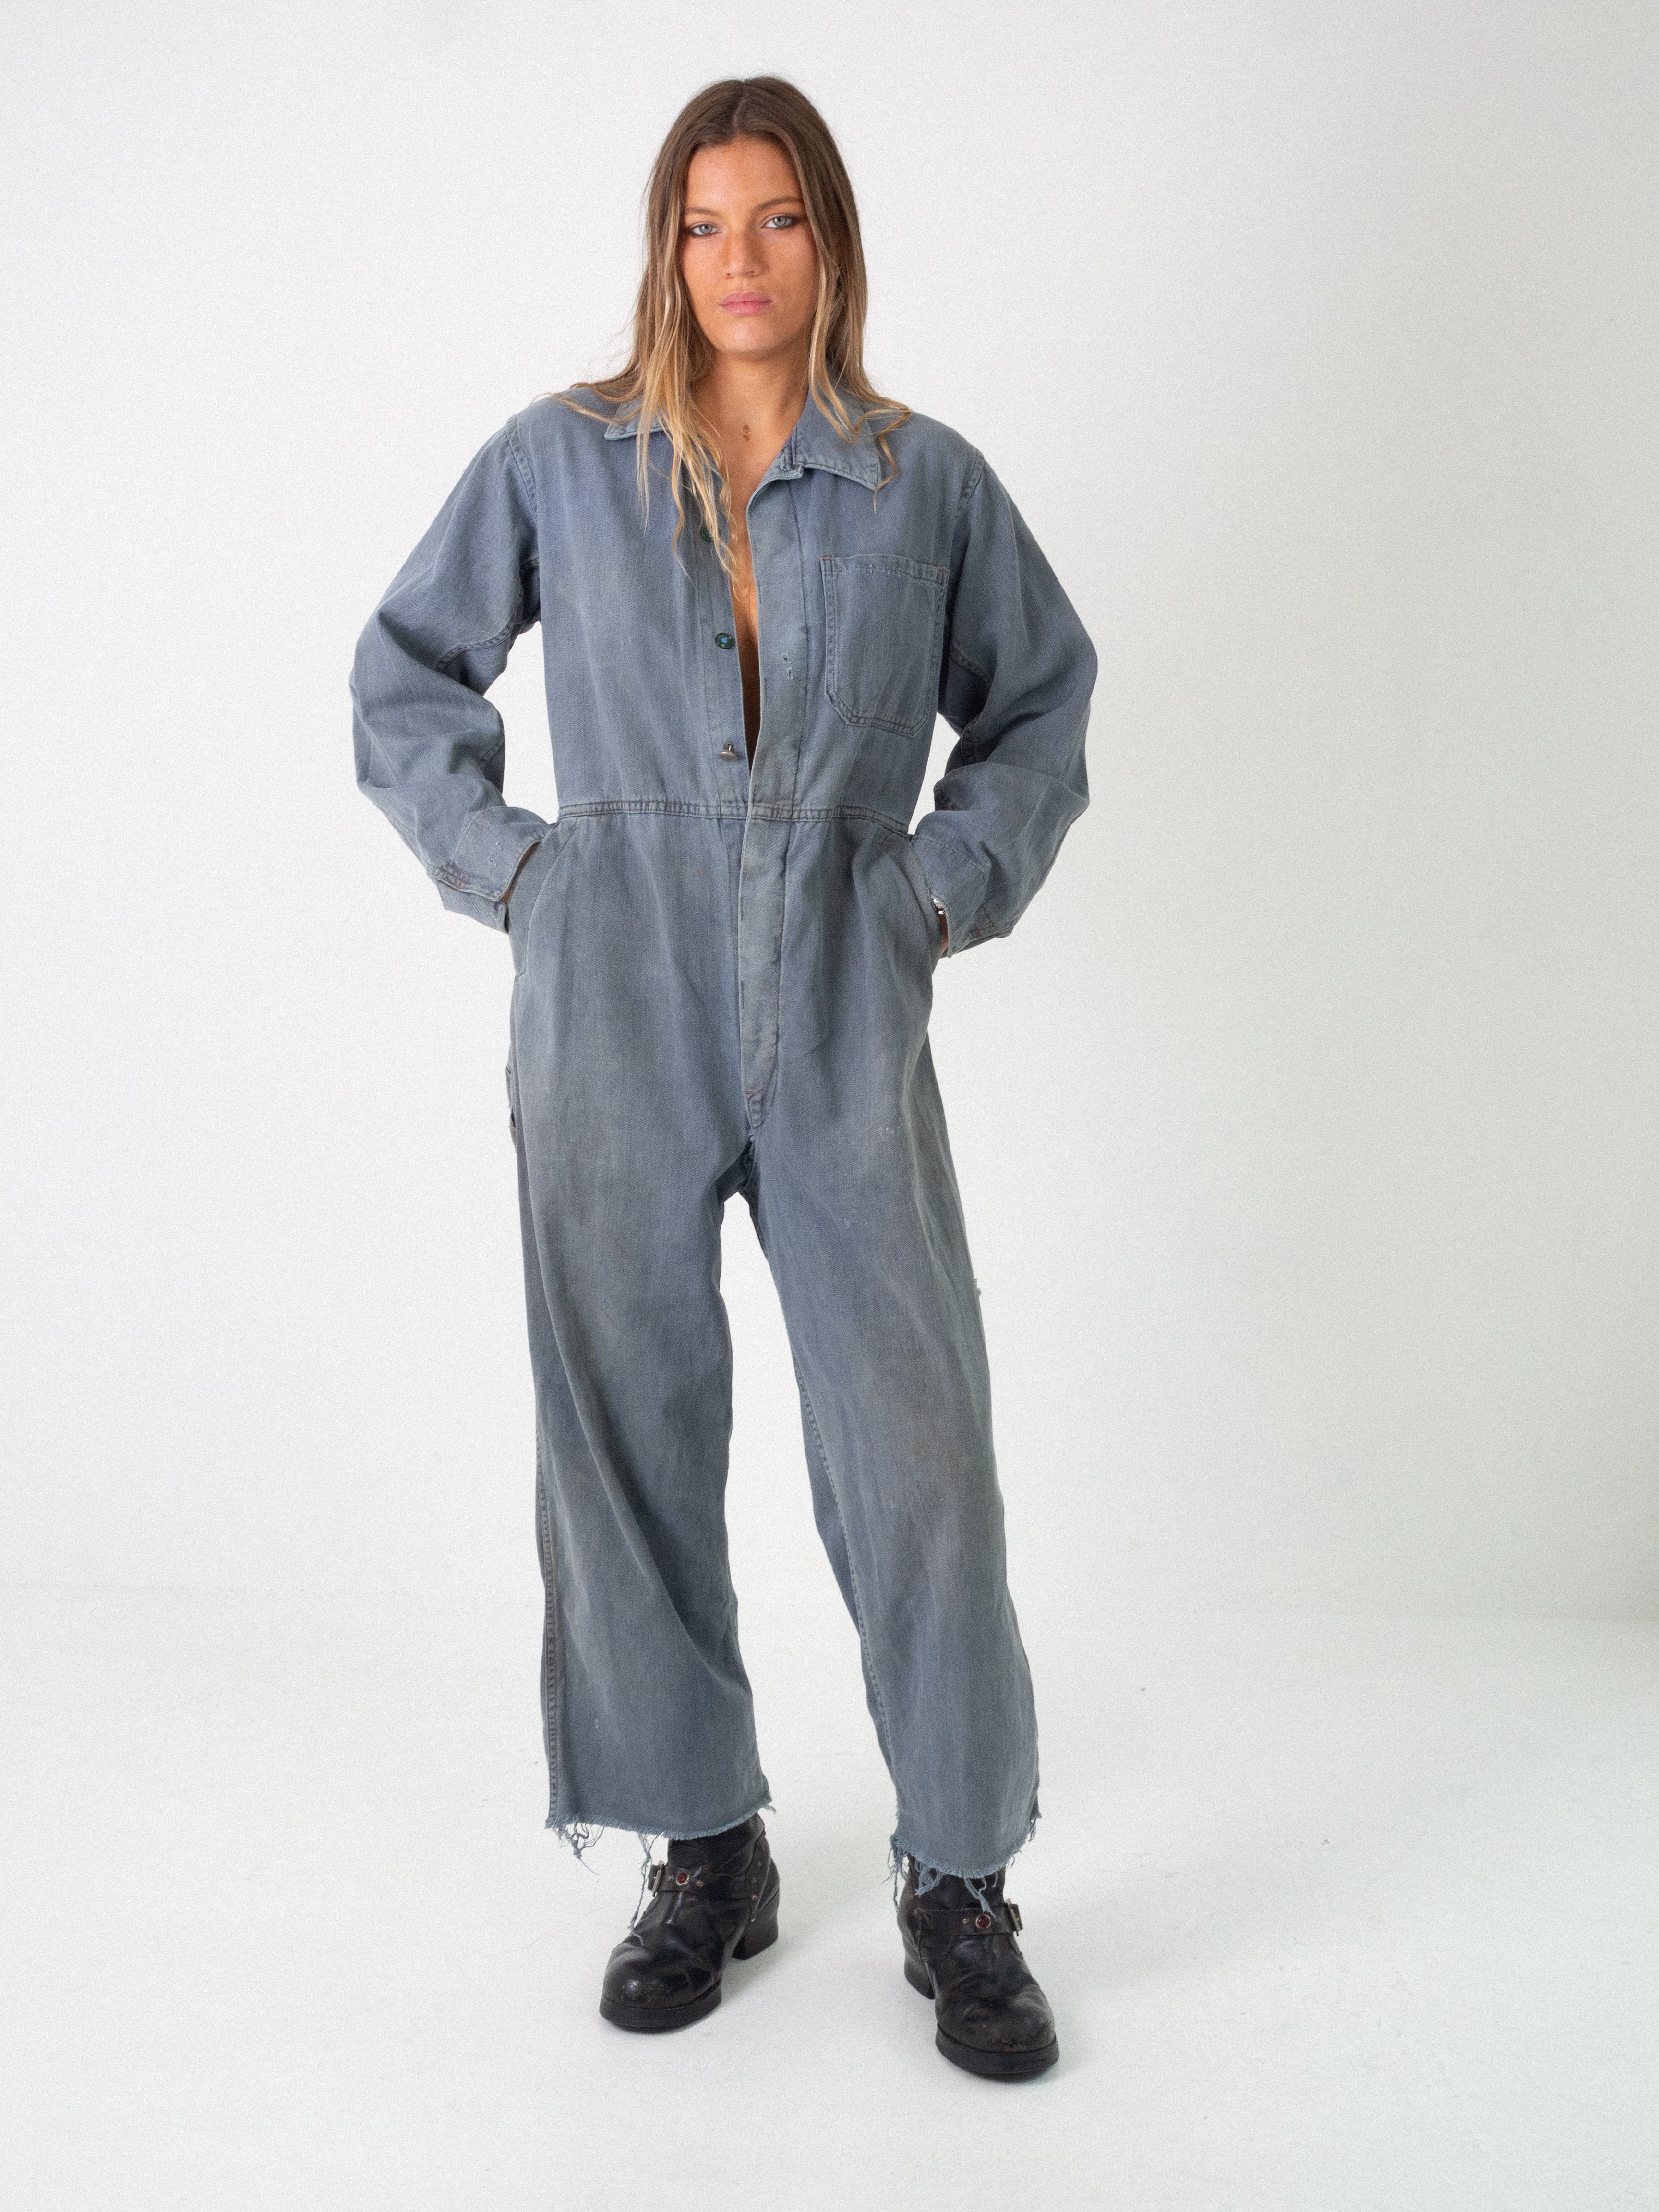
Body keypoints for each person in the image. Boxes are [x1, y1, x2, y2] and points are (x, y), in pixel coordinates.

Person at [349, 75, 1095, 2081]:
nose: (739, 259)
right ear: (665, 250)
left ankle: (961, 1879)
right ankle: (703, 1847)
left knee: (915, 1442)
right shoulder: (558, 458)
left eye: (776, 218)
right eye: (704, 223)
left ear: (829, 239)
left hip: (847, 985)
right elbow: (403, 677)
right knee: (626, 1427)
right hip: (616, 991)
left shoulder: (925, 482)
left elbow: (1041, 707)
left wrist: (935, 892)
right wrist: (522, 873)